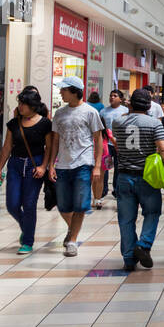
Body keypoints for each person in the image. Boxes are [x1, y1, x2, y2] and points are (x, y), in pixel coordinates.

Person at [112, 88, 164, 270]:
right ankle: (143, 245)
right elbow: (163, 148)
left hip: (123, 176)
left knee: (126, 219)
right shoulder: (154, 123)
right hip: (146, 177)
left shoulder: (118, 122)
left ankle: (129, 258)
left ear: (130, 103)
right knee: (152, 212)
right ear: (149, 105)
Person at [47, 76, 103, 257]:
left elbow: (98, 139)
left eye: (63, 90)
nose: (60, 93)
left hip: (83, 163)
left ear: (74, 91)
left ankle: (72, 241)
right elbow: (55, 140)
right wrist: (51, 164)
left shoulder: (90, 112)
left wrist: (97, 166)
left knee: (80, 204)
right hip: (63, 164)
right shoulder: (59, 113)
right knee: (63, 205)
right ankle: (72, 229)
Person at [0, 88, 52, 254]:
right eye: (19, 103)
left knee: (29, 204)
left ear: (32, 106)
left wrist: (44, 166)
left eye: (22, 103)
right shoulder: (14, 123)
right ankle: (26, 227)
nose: (19, 106)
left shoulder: (45, 123)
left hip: (35, 166)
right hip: (15, 165)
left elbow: (49, 147)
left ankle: (27, 241)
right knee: (12, 204)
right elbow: (6, 147)